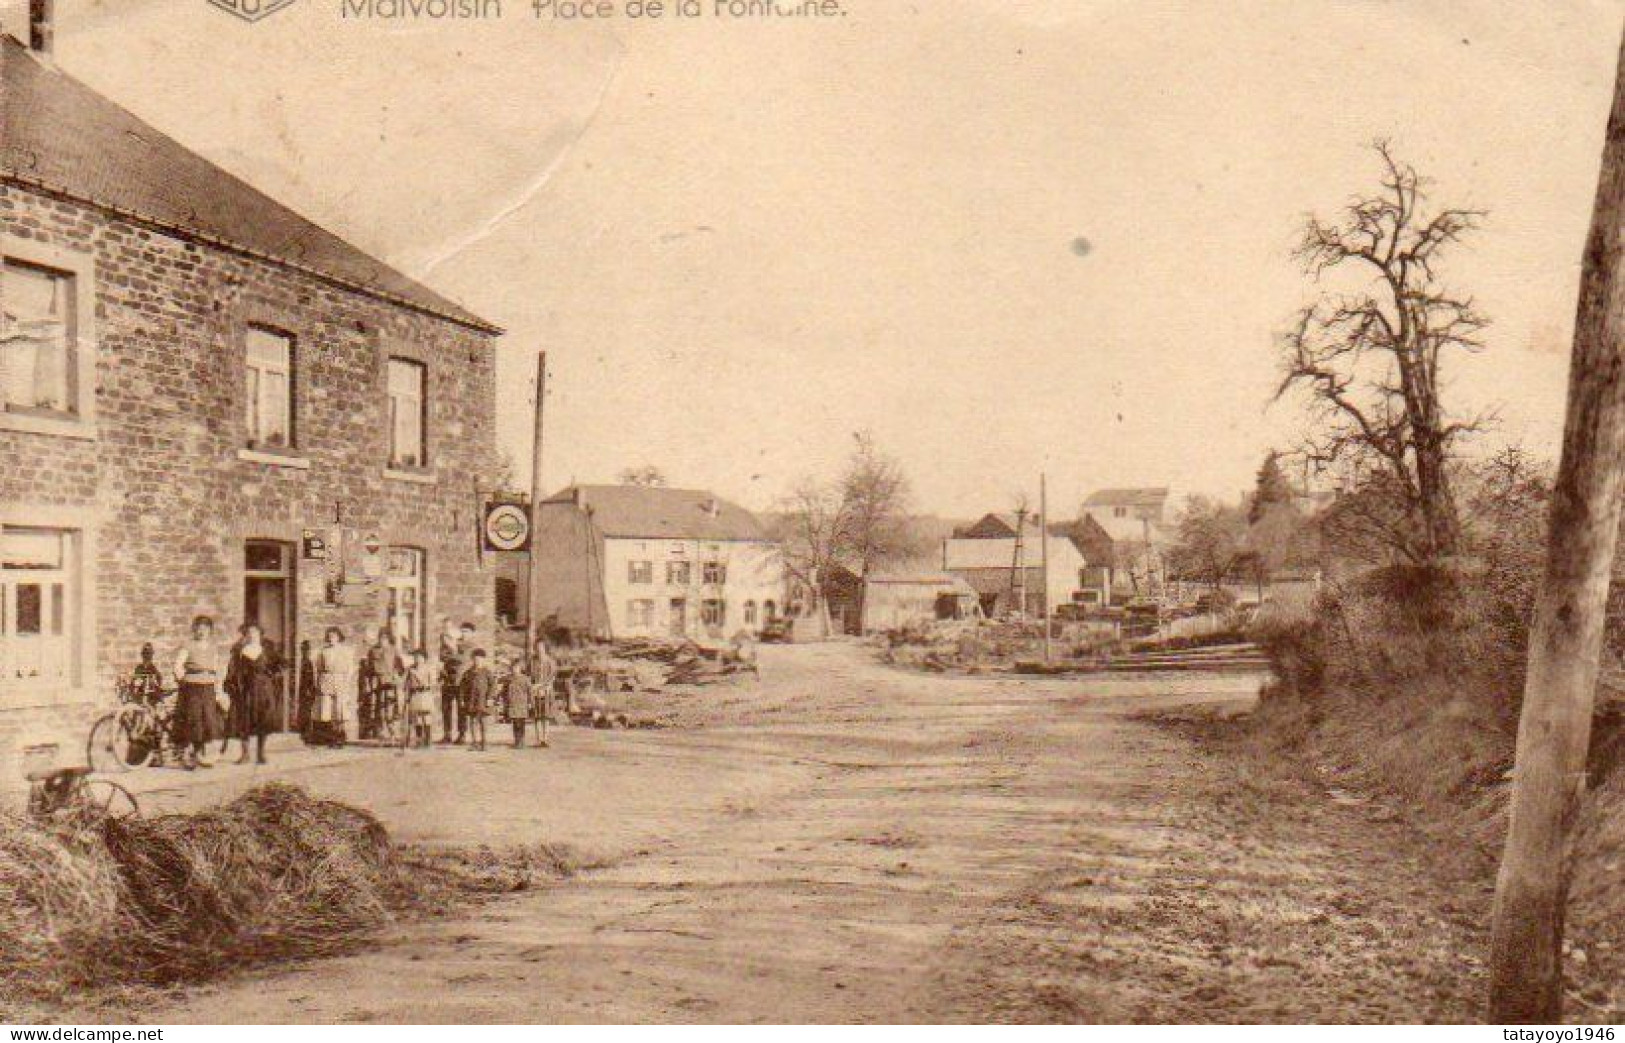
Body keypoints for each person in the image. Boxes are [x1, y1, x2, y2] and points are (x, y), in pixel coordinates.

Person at [224, 623, 283, 765]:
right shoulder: (239, 650)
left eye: (255, 633)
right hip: (246, 689)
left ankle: (261, 754)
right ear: (245, 635)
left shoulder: (268, 649)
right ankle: (245, 754)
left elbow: (281, 664)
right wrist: (231, 683)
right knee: (244, 720)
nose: (252, 635)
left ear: (260, 634)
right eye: (249, 633)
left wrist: (272, 675)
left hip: (264, 689)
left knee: (263, 719)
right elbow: (232, 669)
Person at [172, 615, 223, 769]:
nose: (202, 631)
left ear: (210, 631)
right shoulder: (188, 646)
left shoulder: (213, 648)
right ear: (195, 629)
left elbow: (216, 669)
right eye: (199, 628)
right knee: (193, 720)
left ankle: (200, 753)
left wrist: (218, 689)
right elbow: (178, 666)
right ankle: (189, 755)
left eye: (205, 628)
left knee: (207, 720)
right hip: (192, 688)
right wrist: (182, 680)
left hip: (207, 688)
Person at [313, 626, 358, 746]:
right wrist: (319, 682)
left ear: (339, 637)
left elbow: (350, 668)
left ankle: (340, 735)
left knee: (340, 708)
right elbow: (319, 668)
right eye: (329, 637)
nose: (331, 638)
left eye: (334, 636)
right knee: (328, 709)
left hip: (340, 680)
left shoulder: (345, 651)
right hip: (327, 680)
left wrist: (347, 681)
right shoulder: (324, 651)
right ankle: (332, 736)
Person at [368, 627, 404, 742]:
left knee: (391, 707)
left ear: (389, 638)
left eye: (385, 638)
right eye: (381, 637)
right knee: (379, 708)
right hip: (378, 682)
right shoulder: (373, 651)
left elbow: (399, 667)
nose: (382, 640)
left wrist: (397, 677)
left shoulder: (394, 650)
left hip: (391, 682)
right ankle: (382, 733)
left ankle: (393, 732)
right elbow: (369, 669)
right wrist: (370, 683)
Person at [401, 647, 436, 750]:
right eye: (416, 657)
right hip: (415, 694)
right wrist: (406, 695)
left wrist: (427, 685)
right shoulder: (410, 669)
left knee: (427, 718)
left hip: (425, 694)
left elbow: (433, 683)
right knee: (417, 719)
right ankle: (419, 741)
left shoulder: (429, 669)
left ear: (424, 658)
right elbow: (406, 683)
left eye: (420, 657)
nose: (417, 659)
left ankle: (428, 741)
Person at [462, 648, 493, 752]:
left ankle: (484, 743)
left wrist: (489, 698)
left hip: (483, 700)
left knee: (483, 721)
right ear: (472, 660)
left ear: (483, 660)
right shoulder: (468, 673)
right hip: (471, 700)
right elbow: (462, 687)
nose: (477, 661)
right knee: (473, 721)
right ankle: (474, 742)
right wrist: (462, 699)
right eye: (475, 659)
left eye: (479, 659)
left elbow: (492, 686)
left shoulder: (487, 672)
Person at [501, 655, 533, 748]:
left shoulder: (525, 679)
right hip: (512, 703)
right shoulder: (508, 679)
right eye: (513, 668)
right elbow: (504, 691)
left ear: (520, 668)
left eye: (517, 668)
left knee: (521, 723)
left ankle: (522, 741)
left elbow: (529, 691)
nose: (515, 670)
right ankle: (517, 740)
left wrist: (530, 703)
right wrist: (505, 701)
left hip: (522, 703)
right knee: (515, 723)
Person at [530, 639, 557, 748]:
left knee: (545, 715)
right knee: (537, 715)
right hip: (535, 691)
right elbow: (529, 676)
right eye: (537, 648)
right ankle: (538, 739)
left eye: (541, 647)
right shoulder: (532, 662)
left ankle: (545, 739)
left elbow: (552, 677)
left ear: (545, 648)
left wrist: (543, 686)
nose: (539, 650)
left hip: (546, 690)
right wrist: (533, 686)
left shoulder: (550, 662)